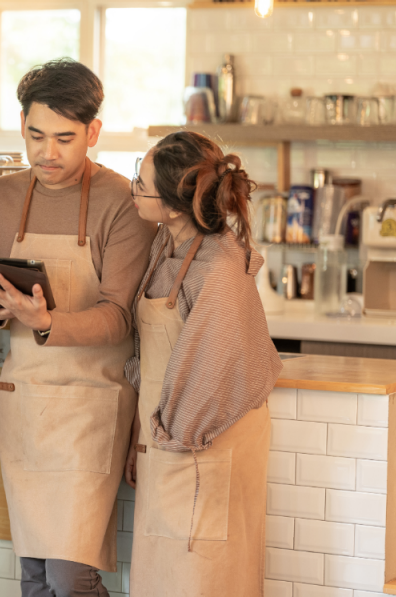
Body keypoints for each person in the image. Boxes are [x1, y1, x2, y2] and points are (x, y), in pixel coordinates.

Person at [0, 59, 157, 597]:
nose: (47, 153)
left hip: (89, 409)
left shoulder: (121, 201)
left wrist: (45, 320)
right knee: (33, 574)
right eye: (35, 135)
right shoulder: (0, 199)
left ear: (93, 132)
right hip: (24, 402)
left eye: (64, 138)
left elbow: (121, 316)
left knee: (69, 575)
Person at [123, 131, 282, 597]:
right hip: (166, 440)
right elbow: (150, 359)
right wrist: (142, 443)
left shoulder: (218, 266)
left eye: (141, 183)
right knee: (163, 577)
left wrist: (164, 435)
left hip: (200, 443)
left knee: (203, 579)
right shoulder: (164, 245)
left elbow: (211, 372)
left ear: (173, 205)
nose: (133, 187)